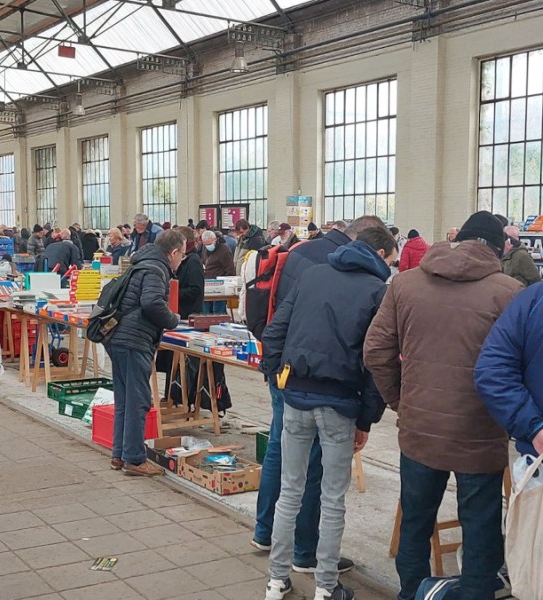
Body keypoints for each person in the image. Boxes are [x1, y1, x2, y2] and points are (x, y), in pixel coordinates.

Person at [363, 211, 523, 600]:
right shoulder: (509, 292)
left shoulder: (404, 284)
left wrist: (400, 400)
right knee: (481, 526)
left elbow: (375, 350)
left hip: (419, 430)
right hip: (480, 432)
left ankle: (411, 593)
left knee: (416, 522)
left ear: (459, 239)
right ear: (500, 247)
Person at [261, 227, 397, 600]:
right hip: (340, 403)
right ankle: (325, 587)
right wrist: (367, 419)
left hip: (296, 397)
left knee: (290, 489)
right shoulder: (376, 290)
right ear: (380, 255)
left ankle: (276, 581)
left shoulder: (311, 275)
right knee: (332, 497)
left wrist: (277, 378)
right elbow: (376, 361)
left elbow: (274, 333)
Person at [104, 229, 185, 476]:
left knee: (125, 399)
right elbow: (151, 302)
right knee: (138, 401)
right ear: (173, 252)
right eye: (182, 254)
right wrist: (173, 319)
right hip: (134, 340)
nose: (181, 260)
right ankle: (135, 459)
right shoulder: (156, 269)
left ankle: (119, 454)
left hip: (117, 337)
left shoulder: (140, 263)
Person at [475, 282, 543, 457]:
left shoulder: (531, 298)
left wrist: (533, 427)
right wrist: (533, 426)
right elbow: (493, 369)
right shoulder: (532, 299)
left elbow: (492, 370)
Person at [201, 230, 235, 314]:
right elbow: (204, 260)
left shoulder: (224, 250)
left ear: (215, 240)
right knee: (205, 311)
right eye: (206, 244)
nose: (208, 246)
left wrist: (226, 284)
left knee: (218, 312)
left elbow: (230, 270)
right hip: (207, 284)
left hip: (219, 286)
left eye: (209, 244)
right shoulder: (205, 248)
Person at [175, 226, 204, 319]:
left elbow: (196, 289)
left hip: (189, 314)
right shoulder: (182, 258)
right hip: (179, 310)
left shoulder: (193, 261)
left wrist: (174, 293)